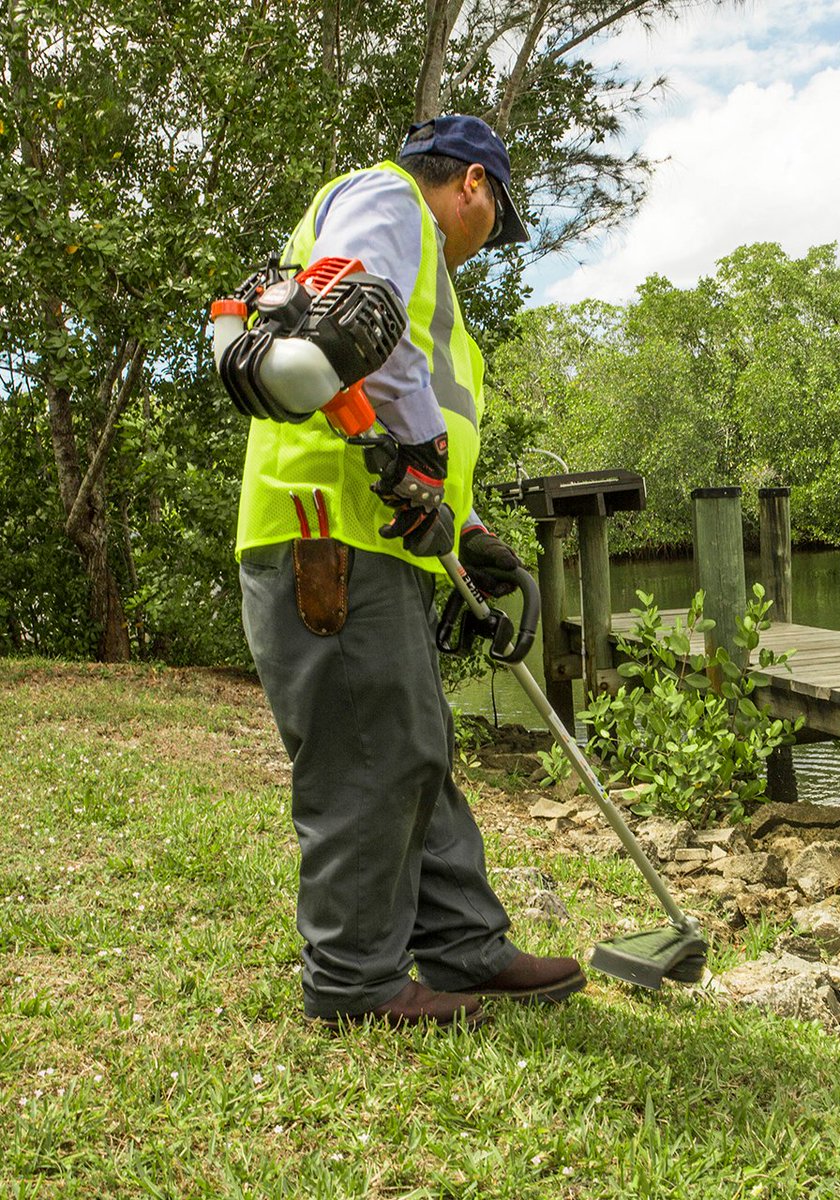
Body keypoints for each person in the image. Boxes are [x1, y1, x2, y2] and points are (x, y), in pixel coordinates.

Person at [235, 115, 585, 1029]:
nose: (492, 243)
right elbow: (356, 333)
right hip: (328, 533)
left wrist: (468, 528)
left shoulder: (428, 266)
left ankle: (463, 943)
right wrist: (425, 471)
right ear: (473, 183)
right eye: (498, 220)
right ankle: (353, 982)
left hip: (381, 534)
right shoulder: (391, 201)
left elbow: (412, 413)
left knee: (414, 747)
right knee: (371, 757)